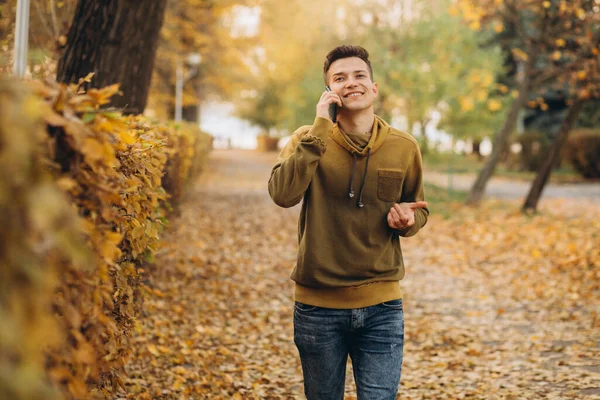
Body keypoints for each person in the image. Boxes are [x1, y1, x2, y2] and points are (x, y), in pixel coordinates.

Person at [268, 45, 429, 400]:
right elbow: (282, 194)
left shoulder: (404, 146)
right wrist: (320, 128)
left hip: (382, 306)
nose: (350, 83)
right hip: (317, 307)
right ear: (329, 92)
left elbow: (419, 208)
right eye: (339, 78)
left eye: (359, 76)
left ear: (373, 89)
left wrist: (407, 221)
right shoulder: (306, 139)